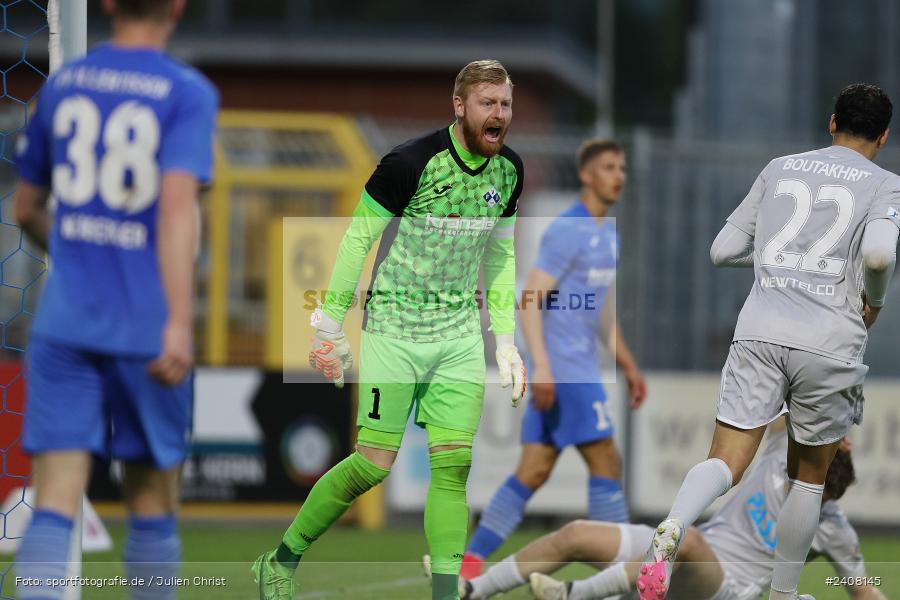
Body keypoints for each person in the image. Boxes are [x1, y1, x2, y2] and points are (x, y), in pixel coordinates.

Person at [251, 59, 527, 600]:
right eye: (488, 103)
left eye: (506, 104)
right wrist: (329, 323)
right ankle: (281, 561)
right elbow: (359, 240)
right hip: (394, 329)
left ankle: (446, 594)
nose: (499, 114)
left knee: (453, 468)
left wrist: (507, 340)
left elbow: (501, 255)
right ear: (460, 106)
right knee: (372, 466)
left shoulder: (509, 171)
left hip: (458, 338)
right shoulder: (409, 162)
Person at [638, 83, 900, 600]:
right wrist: (875, 300)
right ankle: (781, 594)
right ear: (884, 136)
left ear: (831, 123)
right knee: (809, 477)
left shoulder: (780, 167)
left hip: (761, 328)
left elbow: (722, 250)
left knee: (726, 461)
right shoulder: (885, 184)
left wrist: (779, 262)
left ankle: (673, 524)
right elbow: (878, 257)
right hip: (829, 338)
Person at [12, 1, 218, 598]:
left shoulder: (65, 84)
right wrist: (179, 320)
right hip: (146, 328)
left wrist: (75, 250)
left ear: (106, 4)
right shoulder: (186, 91)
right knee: (152, 505)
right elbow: (179, 209)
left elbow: (25, 207)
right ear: (177, 6)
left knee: (52, 503)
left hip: (63, 324)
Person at [462, 139, 647, 578]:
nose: (618, 175)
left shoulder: (608, 234)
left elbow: (601, 310)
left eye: (622, 167)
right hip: (565, 369)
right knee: (606, 460)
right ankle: (621, 572)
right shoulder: (568, 229)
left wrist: (628, 363)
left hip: (573, 366)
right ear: (586, 175)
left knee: (534, 469)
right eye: (608, 167)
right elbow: (529, 301)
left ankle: (469, 564)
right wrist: (541, 366)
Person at [446, 427, 884, 600]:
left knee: (683, 539)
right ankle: (473, 590)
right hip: (682, 559)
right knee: (576, 533)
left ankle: (575, 595)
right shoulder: (776, 456)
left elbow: (863, 590)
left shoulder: (834, 531)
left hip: (726, 591)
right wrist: (832, 424)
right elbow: (793, 398)